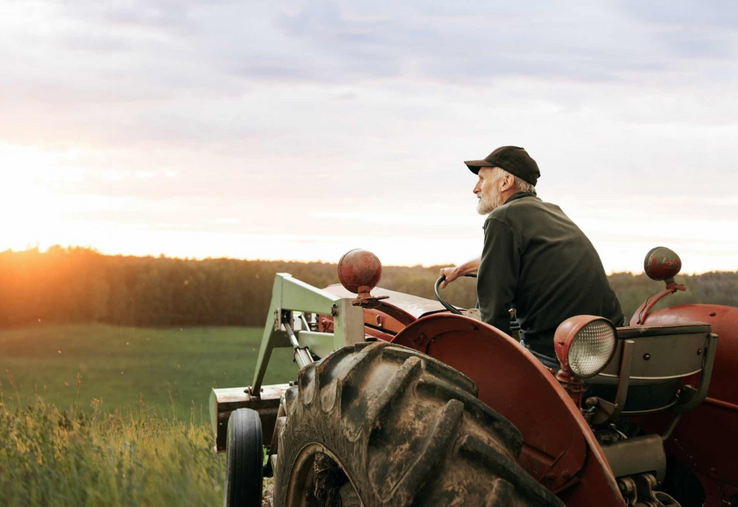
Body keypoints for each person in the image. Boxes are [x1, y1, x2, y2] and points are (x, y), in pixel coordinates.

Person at [440, 146, 624, 359]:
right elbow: (508, 258)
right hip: (610, 339)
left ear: (505, 182)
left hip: (561, 351)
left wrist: (497, 357)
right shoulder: (550, 211)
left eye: (482, 179)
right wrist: (461, 269)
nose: (475, 188)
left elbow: (494, 309)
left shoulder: (502, 218)